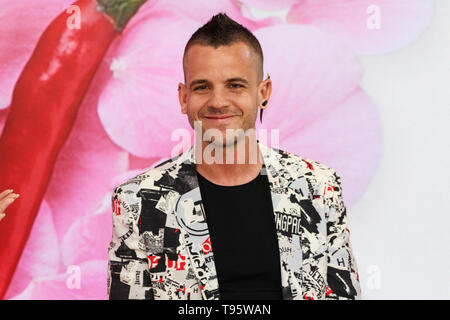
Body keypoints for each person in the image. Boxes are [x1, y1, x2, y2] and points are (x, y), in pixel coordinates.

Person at [107, 13, 361, 300]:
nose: (218, 101)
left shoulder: (318, 188)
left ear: (263, 92)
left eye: (235, 85)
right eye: (203, 87)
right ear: (183, 98)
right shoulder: (137, 201)